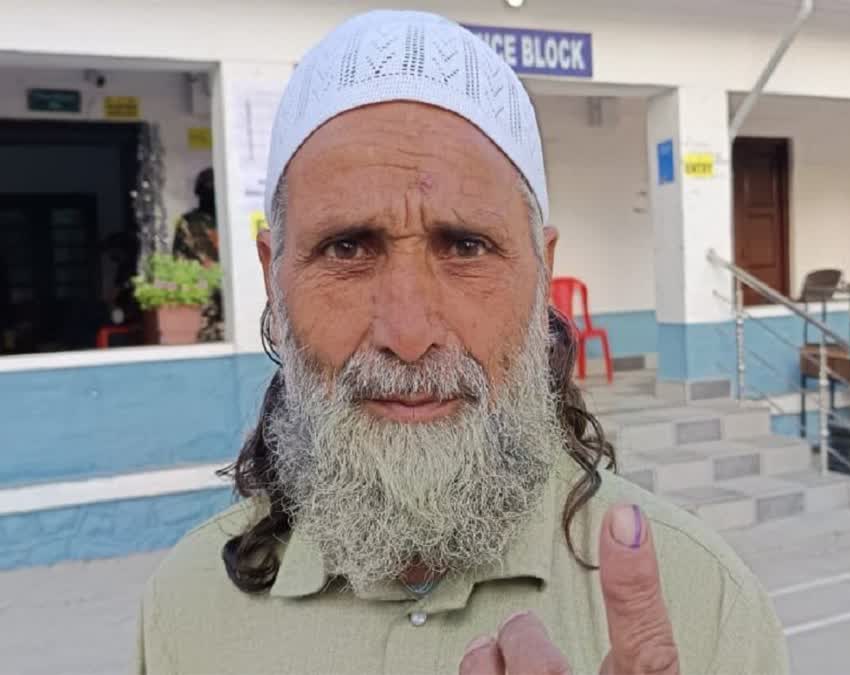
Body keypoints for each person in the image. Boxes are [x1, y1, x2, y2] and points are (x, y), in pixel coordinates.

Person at [135, 10, 788, 674]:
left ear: (543, 275)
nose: (410, 334)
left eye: (467, 246)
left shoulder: (704, 608)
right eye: (348, 247)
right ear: (274, 278)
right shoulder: (185, 617)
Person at [172, 167, 223, 341]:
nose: (211, 194)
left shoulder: (226, 220)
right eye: (207, 189)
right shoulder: (189, 223)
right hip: (203, 307)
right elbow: (181, 265)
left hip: (228, 310)